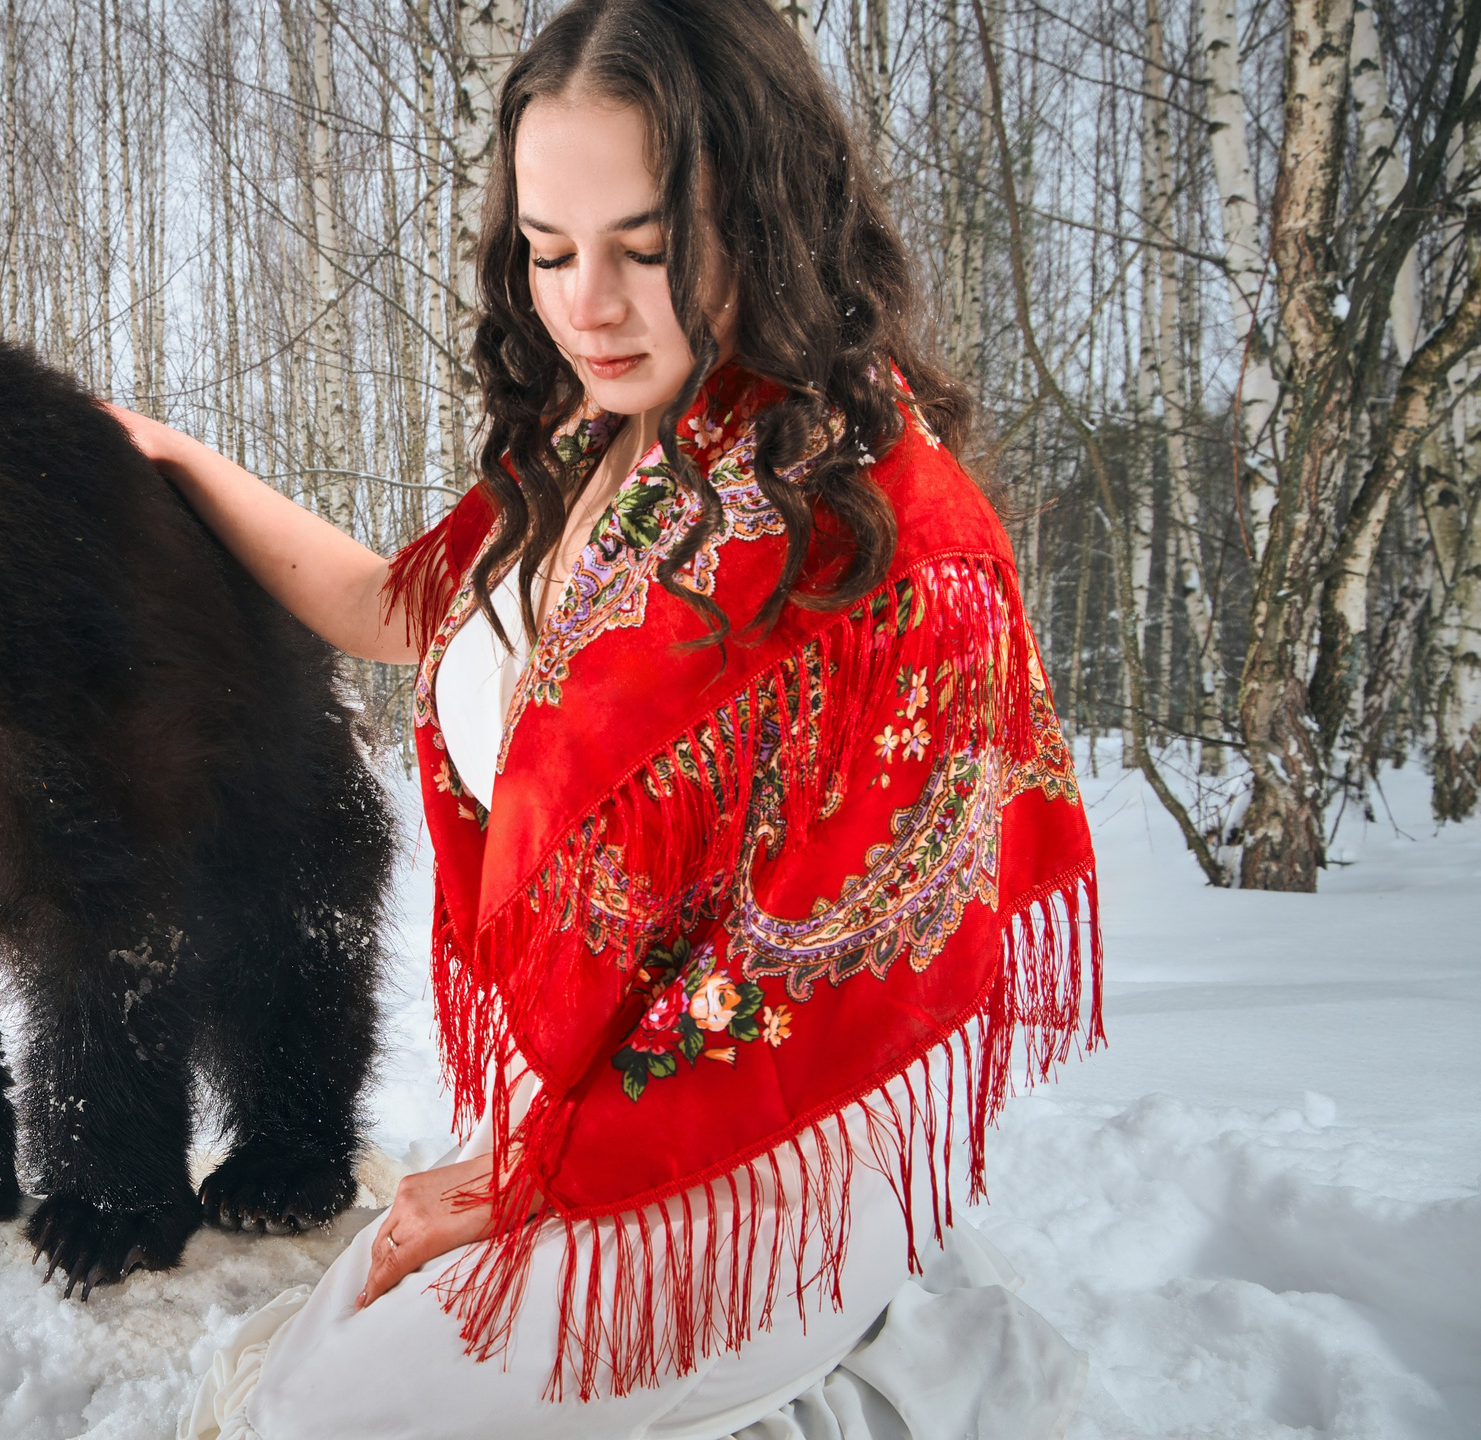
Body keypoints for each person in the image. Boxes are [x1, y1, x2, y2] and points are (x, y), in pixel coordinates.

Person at [107, 1, 1103, 1436]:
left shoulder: (884, 534)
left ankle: (902, 1376)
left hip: (759, 1150)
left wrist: (540, 1173)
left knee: (339, 1421)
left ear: (767, 212)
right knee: (306, 1376)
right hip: (569, 1117)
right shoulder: (590, 439)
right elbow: (405, 609)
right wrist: (170, 455)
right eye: (550, 250)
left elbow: (822, 966)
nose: (588, 307)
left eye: (645, 248)